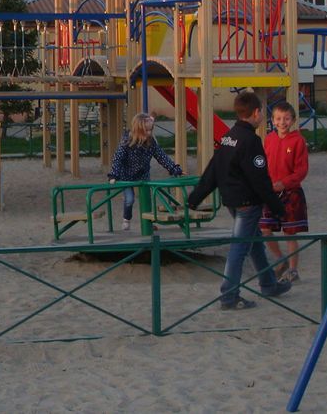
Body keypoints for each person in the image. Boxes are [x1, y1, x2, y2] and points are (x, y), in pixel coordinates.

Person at [187, 91, 292, 310]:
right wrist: (277, 207)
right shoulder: (251, 141)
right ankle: (229, 295)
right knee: (239, 249)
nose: (262, 114)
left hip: (232, 200)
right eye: (262, 111)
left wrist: (195, 197)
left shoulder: (228, 136)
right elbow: (260, 179)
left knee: (255, 244)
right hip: (247, 203)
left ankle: (268, 283)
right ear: (256, 113)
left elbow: (213, 170)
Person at [260, 101, 309, 284]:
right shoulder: (269, 139)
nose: (282, 122)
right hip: (270, 192)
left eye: (286, 119)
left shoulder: (298, 141)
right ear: (272, 120)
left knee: (290, 233)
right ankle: (281, 260)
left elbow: (301, 170)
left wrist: (285, 183)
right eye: (278, 118)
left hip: (291, 192)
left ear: (293, 120)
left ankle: (293, 269)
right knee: (264, 228)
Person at [107, 112, 183, 231]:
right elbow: (118, 158)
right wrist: (114, 175)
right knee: (130, 199)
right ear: (138, 130)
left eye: (150, 130)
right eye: (146, 131)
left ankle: (148, 222)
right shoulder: (127, 142)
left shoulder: (151, 142)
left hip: (143, 174)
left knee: (147, 199)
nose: (149, 133)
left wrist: (173, 168)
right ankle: (126, 219)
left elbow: (161, 156)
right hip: (126, 175)